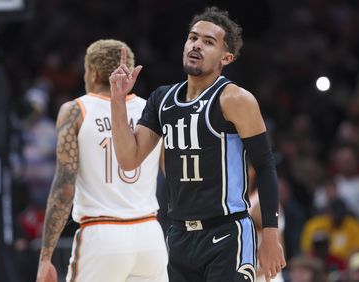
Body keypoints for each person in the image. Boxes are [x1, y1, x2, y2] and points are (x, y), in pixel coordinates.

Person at [110, 6, 286, 282]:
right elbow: (128, 159)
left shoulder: (235, 99)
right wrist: (118, 102)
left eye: (208, 42)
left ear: (226, 57)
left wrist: (271, 235)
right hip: (179, 235)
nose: (196, 45)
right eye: (193, 38)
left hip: (227, 233)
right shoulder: (162, 99)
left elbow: (265, 166)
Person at [36, 39, 167, 282]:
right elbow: (175, 177)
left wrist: (45, 257)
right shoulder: (152, 110)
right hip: (150, 235)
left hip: (102, 235)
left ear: (93, 73)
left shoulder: (76, 110)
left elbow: (64, 187)